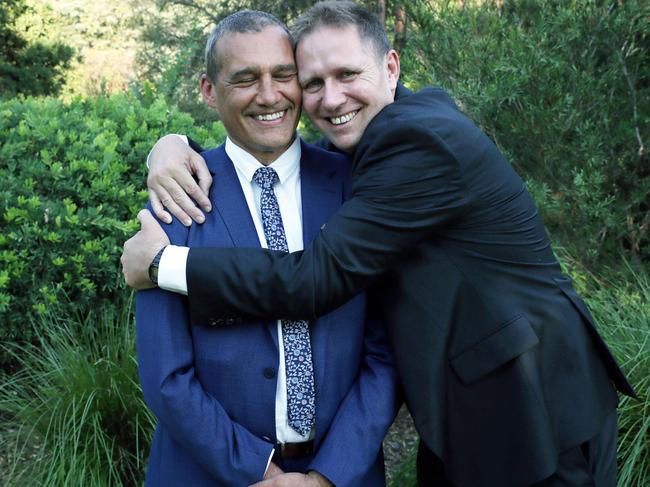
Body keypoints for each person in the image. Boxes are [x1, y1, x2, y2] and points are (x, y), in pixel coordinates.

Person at [122, 2, 634, 486]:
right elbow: (167, 374)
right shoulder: (200, 194)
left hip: (535, 410)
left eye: (346, 75)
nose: (329, 97)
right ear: (211, 91)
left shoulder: (414, 144)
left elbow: (311, 280)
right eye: (314, 82)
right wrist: (169, 147)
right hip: (463, 417)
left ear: (390, 67)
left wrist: (163, 264)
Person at [132, 10, 399, 487]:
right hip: (208, 473)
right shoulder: (180, 196)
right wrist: (257, 470)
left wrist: (325, 475)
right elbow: (166, 377)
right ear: (209, 91)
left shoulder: (356, 186)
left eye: (284, 75)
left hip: (344, 473)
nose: (270, 95)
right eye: (245, 79)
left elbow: (385, 354)